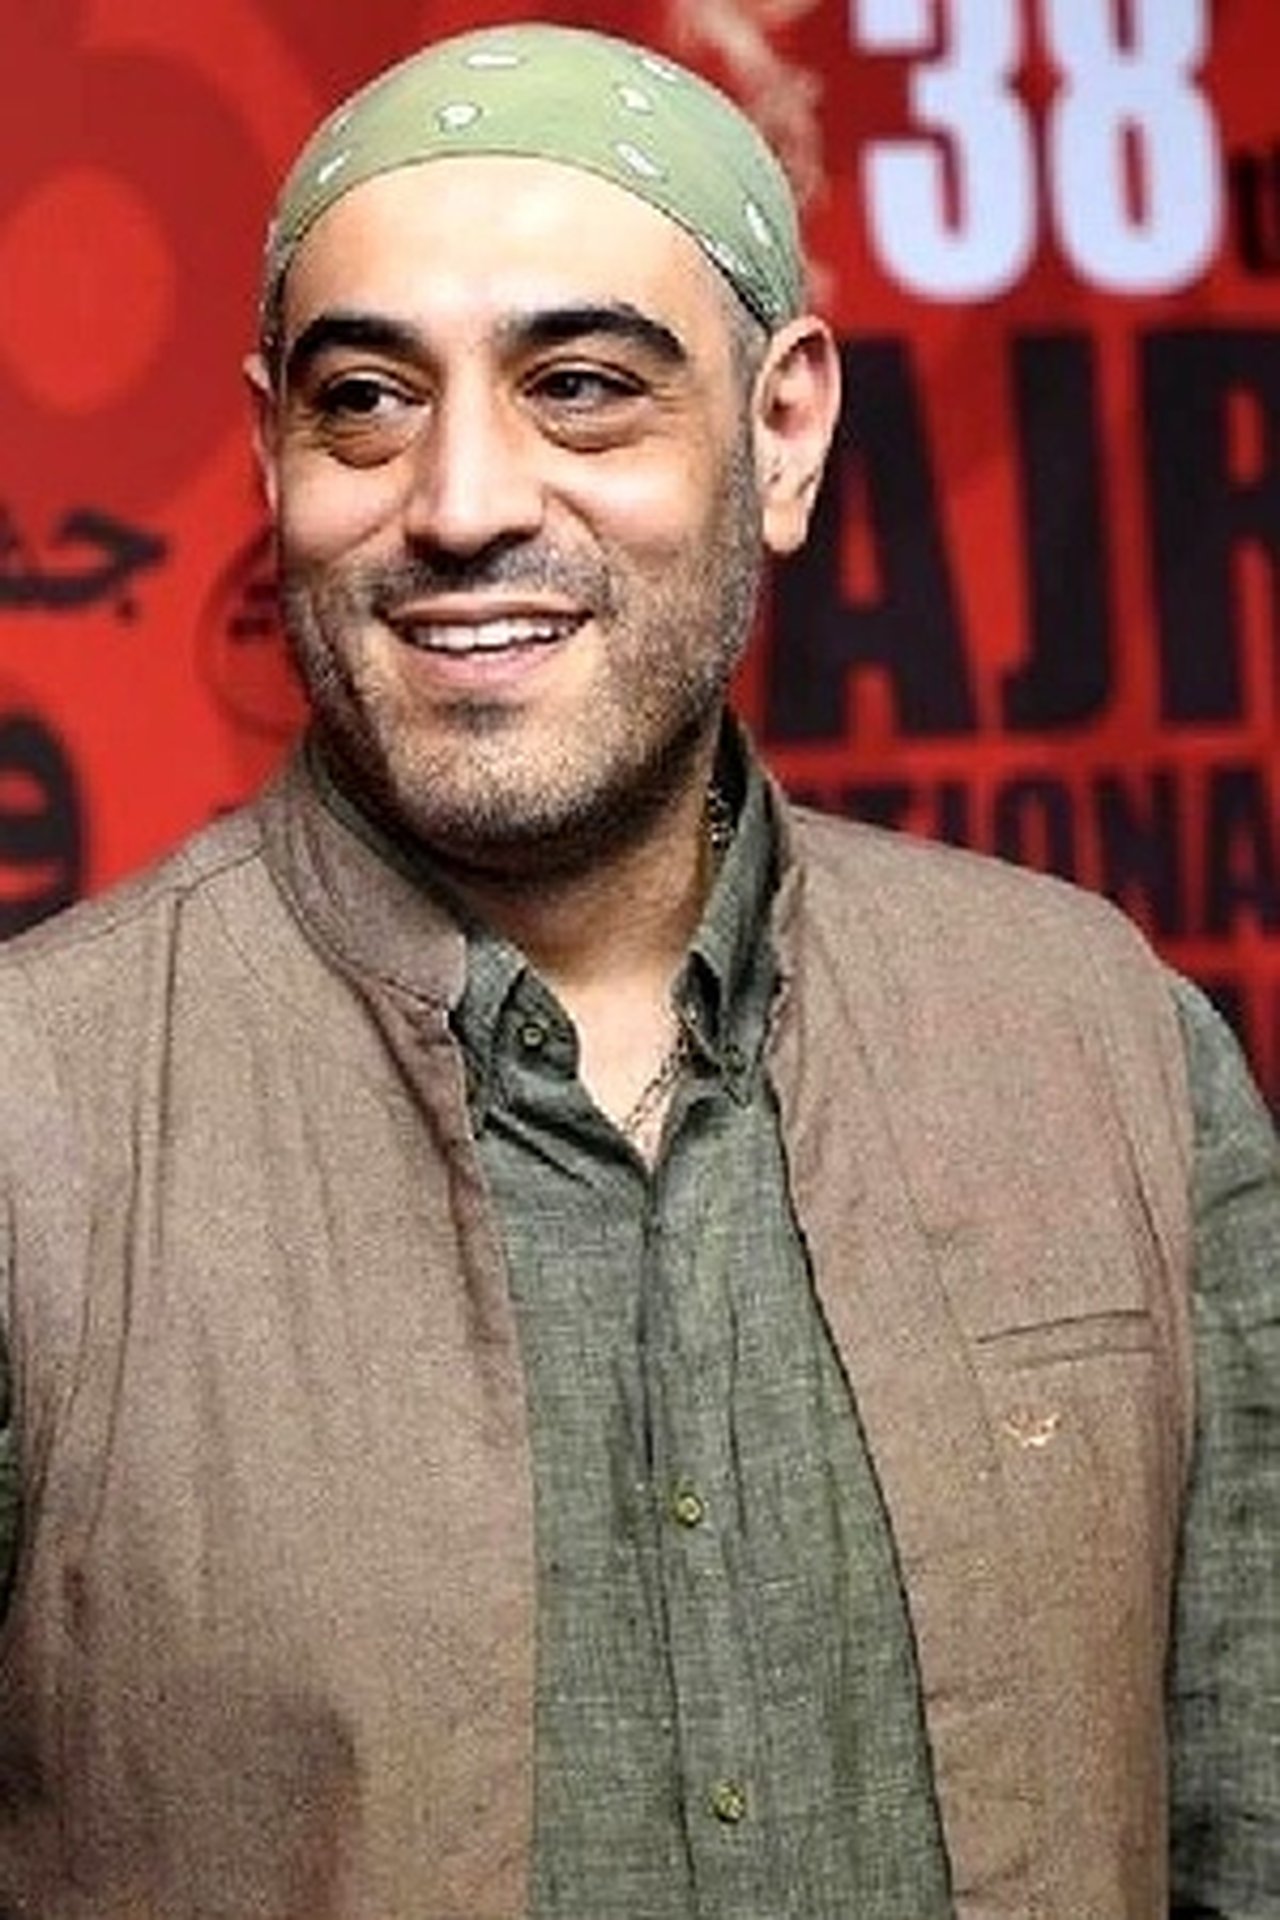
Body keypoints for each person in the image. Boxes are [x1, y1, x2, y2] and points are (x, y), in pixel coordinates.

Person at [0, 20, 1275, 1918]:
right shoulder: (33, 1131)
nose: (460, 502)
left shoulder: (1105, 1047)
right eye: (367, 400)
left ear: (783, 433)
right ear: (271, 450)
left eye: (582, 386)